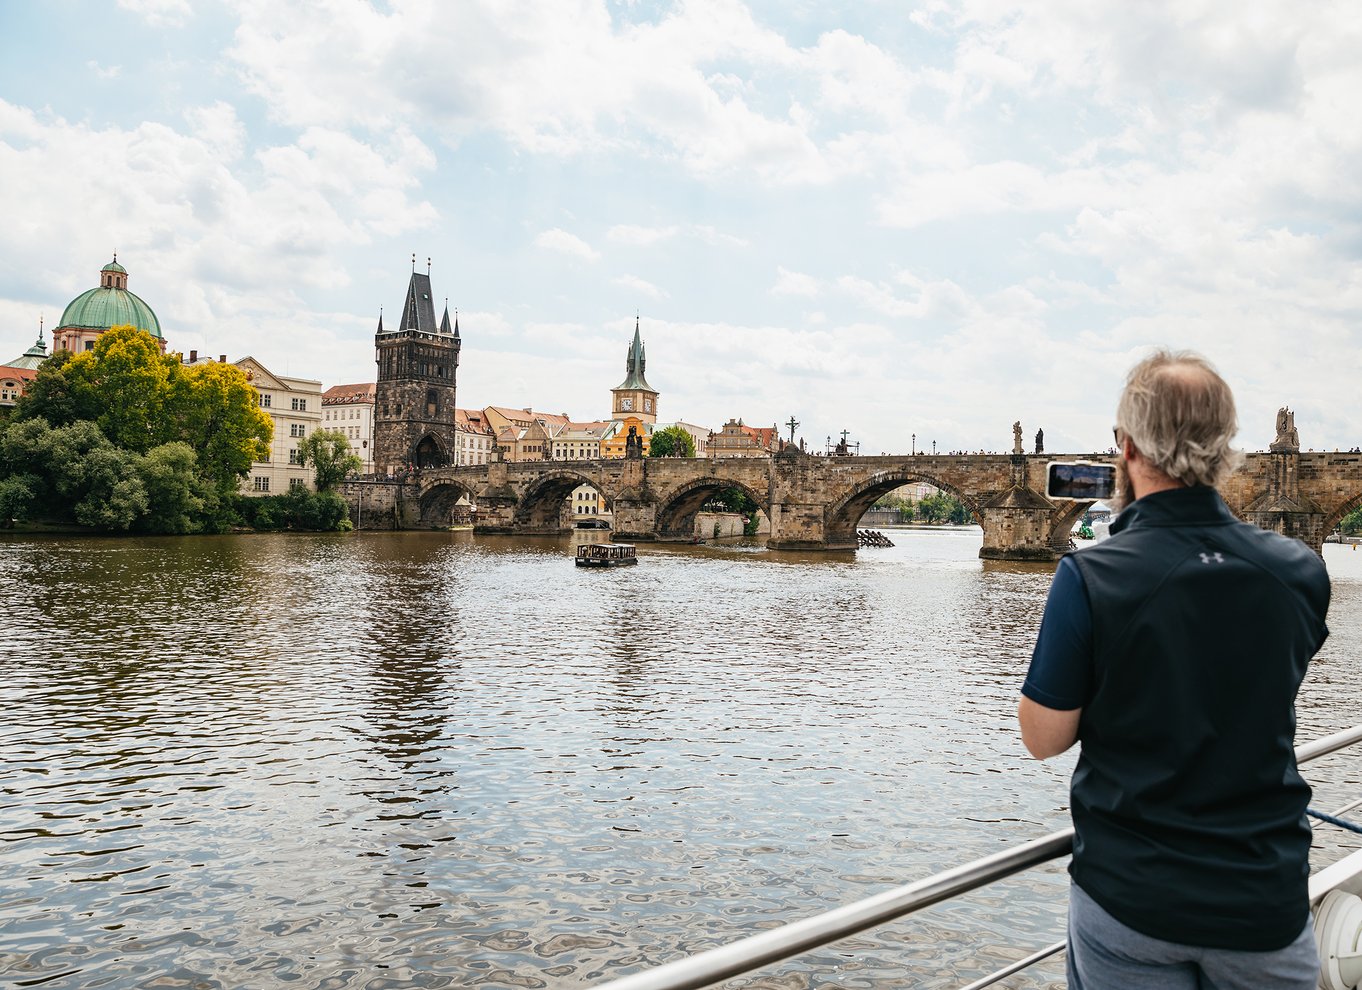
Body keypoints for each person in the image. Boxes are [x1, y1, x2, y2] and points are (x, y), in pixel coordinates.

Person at [1018, 350, 1331, 989]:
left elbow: (1042, 739)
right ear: (1225, 449)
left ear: (1125, 446)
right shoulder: (1300, 571)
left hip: (1134, 897)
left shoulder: (1092, 575)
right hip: (1263, 895)